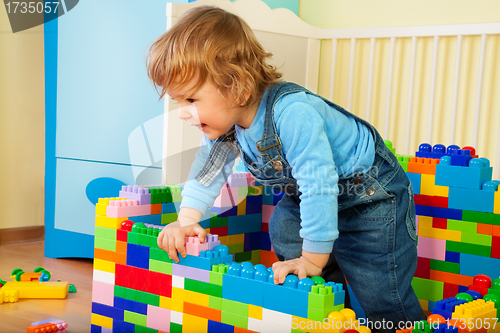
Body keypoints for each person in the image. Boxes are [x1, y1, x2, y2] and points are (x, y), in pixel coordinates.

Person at [146, 5, 426, 332]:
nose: (183, 113)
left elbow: (318, 184)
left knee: (379, 288)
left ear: (237, 87)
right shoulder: (227, 126)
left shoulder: (293, 113)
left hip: (369, 197)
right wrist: (187, 220)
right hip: (313, 196)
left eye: (190, 99)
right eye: (179, 102)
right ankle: (337, 312)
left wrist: (311, 259)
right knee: (284, 226)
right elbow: (208, 172)